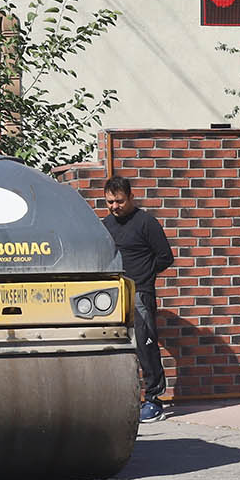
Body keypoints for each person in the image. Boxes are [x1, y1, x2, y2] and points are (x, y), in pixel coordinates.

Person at [100, 175, 175, 423]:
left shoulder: (146, 223)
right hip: (113, 294)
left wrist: (145, 274)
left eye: (119, 201)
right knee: (117, 345)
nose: (114, 207)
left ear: (130, 197)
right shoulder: (105, 225)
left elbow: (165, 257)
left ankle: (154, 400)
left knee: (146, 346)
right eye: (110, 202)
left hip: (140, 292)